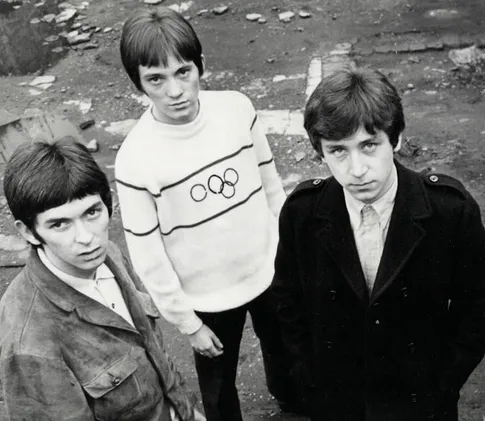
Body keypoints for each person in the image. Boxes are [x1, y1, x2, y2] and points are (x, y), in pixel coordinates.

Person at [271, 64, 485, 421]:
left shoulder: (448, 211)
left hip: (419, 401)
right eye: (338, 151)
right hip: (338, 402)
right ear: (320, 152)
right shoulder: (302, 213)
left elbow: (478, 302)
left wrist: (444, 382)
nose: (357, 169)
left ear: (395, 140)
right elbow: (288, 301)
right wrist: (311, 380)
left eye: (369, 145)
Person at [115, 7, 298, 420]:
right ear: (138, 83)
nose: (175, 90)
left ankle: (292, 401)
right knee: (218, 387)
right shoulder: (135, 159)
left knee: (287, 351)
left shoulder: (237, 110)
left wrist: (288, 255)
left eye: (183, 72)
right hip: (207, 299)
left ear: (201, 65)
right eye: (156, 79)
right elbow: (148, 255)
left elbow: (271, 186)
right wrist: (188, 323)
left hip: (268, 271)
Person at [0, 137, 204, 421]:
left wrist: (185, 410)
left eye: (91, 212)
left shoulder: (109, 255)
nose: (86, 238)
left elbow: (152, 347)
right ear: (28, 232)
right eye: (60, 224)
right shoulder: (30, 341)